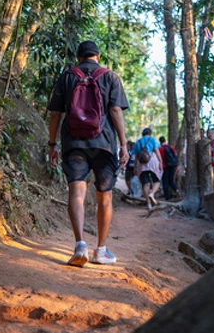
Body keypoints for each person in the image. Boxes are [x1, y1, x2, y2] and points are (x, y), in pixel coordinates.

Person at [47, 40, 129, 267]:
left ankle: (80, 245)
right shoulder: (110, 76)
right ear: (98, 56)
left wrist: (52, 144)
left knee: (76, 191)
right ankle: (100, 251)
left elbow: (55, 113)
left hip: (73, 142)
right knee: (105, 196)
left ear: (79, 57)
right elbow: (115, 110)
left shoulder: (67, 76)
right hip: (103, 143)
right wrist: (123, 144)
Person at [131, 128, 163, 209]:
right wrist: (161, 162)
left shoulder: (138, 142)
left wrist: (135, 167)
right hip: (152, 161)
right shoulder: (152, 139)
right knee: (157, 181)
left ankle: (148, 204)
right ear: (150, 133)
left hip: (141, 164)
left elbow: (136, 157)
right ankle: (152, 194)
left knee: (146, 183)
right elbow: (156, 151)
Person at [158, 136, 178, 201]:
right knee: (171, 181)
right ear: (165, 140)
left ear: (160, 142)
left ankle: (168, 197)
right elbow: (175, 156)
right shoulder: (172, 147)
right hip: (172, 166)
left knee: (165, 182)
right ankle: (177, 191)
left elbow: (160, 158)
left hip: (165, 167)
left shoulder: (160, 149)